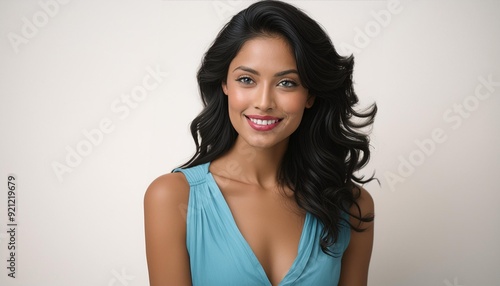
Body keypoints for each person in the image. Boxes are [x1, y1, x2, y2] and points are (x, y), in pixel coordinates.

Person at [144, 1, 377, 285]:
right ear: (224, 84)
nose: (264, 102)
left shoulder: (352, 207)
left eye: (287, 83)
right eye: (246, 79)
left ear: (310, 95)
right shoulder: (172, 198)